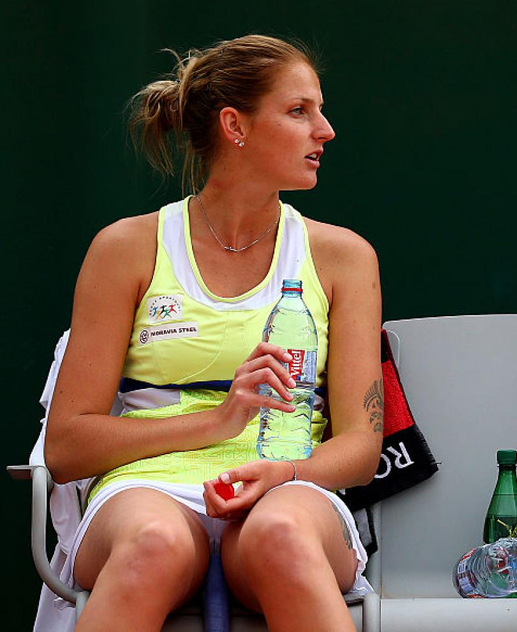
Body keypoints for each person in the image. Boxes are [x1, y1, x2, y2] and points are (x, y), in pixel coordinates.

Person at [44, 35, 383, 632]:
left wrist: (284, 473)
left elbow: (361, 448)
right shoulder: (124, 247)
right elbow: (66, 448)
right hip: (146, 488)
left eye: (319, 110)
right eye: (299, 110)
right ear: (235, 126)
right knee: (153, 543)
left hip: (287, 483)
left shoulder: (345, 257)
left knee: (283, 534)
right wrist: (217, 421)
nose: (325, 130)